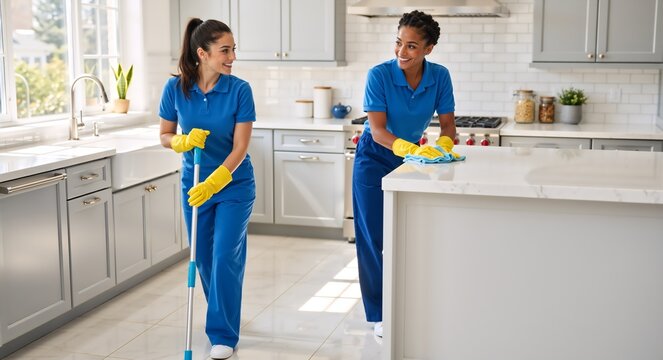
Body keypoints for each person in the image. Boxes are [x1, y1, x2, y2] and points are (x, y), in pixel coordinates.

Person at [352, 10, 460, 339]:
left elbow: (448, 125)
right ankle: (380, 314)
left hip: (411, 160)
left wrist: (441, 144)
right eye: (398, 43)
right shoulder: (379, 75)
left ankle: (409, 303)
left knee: (408, 234)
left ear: (429, 49)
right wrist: (412, 149)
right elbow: (379, 130)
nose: (401, 52)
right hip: (374, 156)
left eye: (412, 46)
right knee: (373, 238)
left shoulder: (439, 76)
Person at [158, 18, 255, 360]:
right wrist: (181, 141)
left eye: (233, 50)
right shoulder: (175, 89)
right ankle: (226, 310)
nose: (232, 57)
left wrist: (218, 179)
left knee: (225, 255)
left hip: (234, 184)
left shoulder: (240, 89)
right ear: (203, 53)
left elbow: (240, 147)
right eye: (225, 50)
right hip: (194, 183)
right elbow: (165, 135)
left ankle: (223, 333)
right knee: (202, 258)